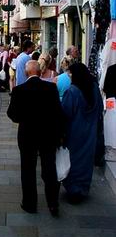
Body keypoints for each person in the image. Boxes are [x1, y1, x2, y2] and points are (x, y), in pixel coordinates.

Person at [7, 60, 64, 216]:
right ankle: (53, 204)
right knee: (49, 169)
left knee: (28, 169)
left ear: (26, 73)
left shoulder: (19, 90)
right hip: (48, 135)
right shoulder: (51, 88)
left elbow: (12, 114)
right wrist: (59, 134)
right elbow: (59, 114)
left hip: (27, 136)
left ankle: (30, 204)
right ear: (39, 72)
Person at [62, 63, 103, 203]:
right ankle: (83, 188)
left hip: (74, 132)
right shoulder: (94, 89)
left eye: (71, 73)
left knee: (73, 161)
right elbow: (99, 110)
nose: (70, 76)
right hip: (90, 132)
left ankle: (73, 189)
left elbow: (65, 114)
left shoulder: (72, 92)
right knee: (86, 161)